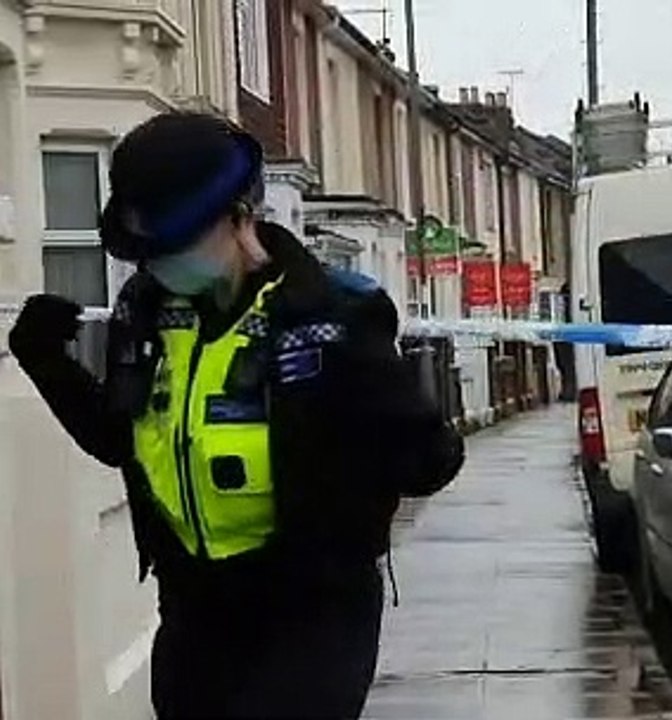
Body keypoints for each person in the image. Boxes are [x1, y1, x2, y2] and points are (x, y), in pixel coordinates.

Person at [6, 112, 465, 718]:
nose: (158, 264)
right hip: (194, 609)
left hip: (311, 610)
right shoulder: (146, 312)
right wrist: (43, 360)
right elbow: (121, 438)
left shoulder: (329, 313)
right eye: (147, 251)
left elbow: (430, 459)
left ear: (237, 217)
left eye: (172, 245)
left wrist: (366, 399)